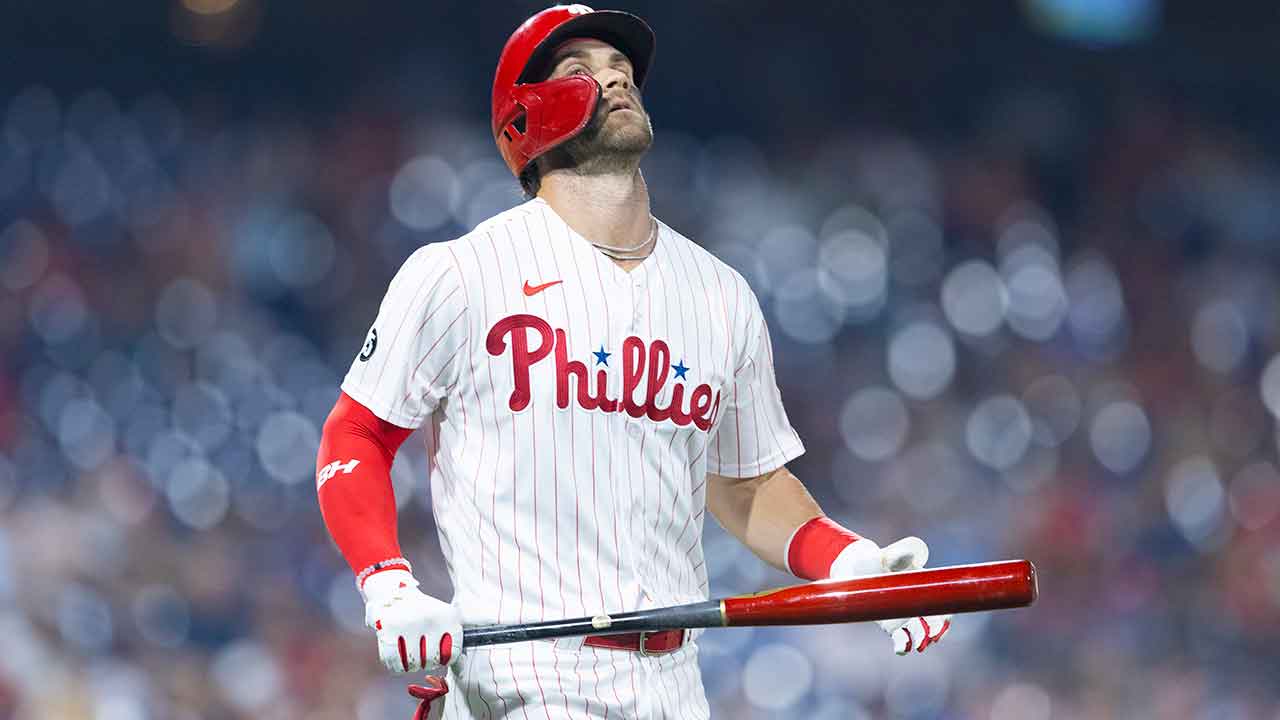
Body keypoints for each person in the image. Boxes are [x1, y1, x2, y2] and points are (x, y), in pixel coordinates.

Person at [315, 5, 950, 718]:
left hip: (673, 686)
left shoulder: (719, 293)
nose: (615, 80)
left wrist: (849, 564)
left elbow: (743, 487)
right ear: (522, 117)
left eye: (622, 71)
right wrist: (388, 582)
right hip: (521, 681)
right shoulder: (462, 274)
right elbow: (357, 434)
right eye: (580, 72)